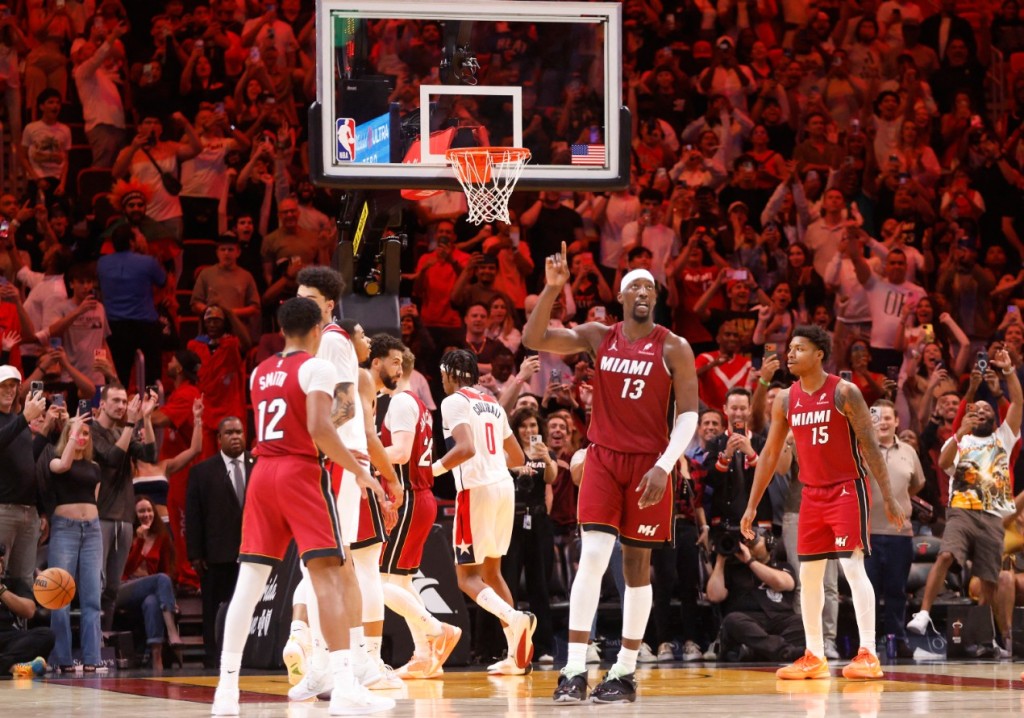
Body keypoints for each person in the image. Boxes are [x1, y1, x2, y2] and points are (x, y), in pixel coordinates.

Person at [523, 242, 699, 704]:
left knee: (636, 565)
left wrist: (665, 466)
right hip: (602, 456)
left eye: (650, 287)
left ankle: (623, 671)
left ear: (655, 299)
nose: (643, 290)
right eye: (634, 286)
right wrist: (552, 289)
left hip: (649, 465)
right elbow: (533, 338)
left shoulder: (675, 347)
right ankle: (575, 669)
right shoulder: (600, 335)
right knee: (594, 555)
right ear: (621, 298)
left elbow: (689, 416)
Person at [210, 297, 391, 716]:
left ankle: (226, 688)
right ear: (317, 328)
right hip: (300, 473)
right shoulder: (318, 367)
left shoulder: (259, 371)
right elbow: (318, 427)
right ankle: (344, 682)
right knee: (327, 574)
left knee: (249, 583)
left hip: (262, 474)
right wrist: (358, 470)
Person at [740, 325, 907, 680]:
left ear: (819, 354)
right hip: (810, 496)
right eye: (790, 348)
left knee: (852, 568)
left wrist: (889, 497)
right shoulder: (785, 398)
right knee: (810, 577)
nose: (790, 354)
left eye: (799, 348)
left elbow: (871, 448)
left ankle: (868, 653)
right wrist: (752, 505)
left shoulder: (844, 392)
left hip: (846, 489)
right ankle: (814, 654)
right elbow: (770, 454)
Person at [907, 347, 1023, 656]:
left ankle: (988, 640)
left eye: (987, 410)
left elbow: (1019, 403)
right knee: (945, 556)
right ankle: (924, 613)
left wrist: (1009, 373)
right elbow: (944, 460)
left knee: (988, 579)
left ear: (994, 417)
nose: (982, 412)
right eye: (976, 409)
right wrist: (959, 431)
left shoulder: (1004, 437)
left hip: (992, 516)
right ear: (969, 414)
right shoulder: (961, 440)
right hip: (961, 510)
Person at [433, 348, 532, 676]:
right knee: (492, 574)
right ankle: (519, 657)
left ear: (449, 373)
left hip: (476, 489)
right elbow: (518, 458)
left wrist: (430, 471)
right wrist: (491, 466)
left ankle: (515, 619)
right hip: (504, 487)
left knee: (466, 578)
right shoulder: (490, 401)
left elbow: (465, 448)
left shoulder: (453, 401)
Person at [379, 347, 461, 679]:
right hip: (420, 495)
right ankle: (425, 655)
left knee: (379, 580)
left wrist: (357, 454)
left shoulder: (400, 401)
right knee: (400, 580)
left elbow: (398, 452)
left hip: (409, 495)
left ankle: (438, 628)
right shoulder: (419, 404)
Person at [185, 417, 251, 669]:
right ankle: (213, 656)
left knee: (249, 606)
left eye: (239, 432)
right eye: (229, 433)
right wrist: (195, 554)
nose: (235, 436)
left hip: (252, 552)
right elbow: (194, 516)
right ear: (219, 438)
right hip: (215, 554)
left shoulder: (258, 466)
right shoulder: (202, 472)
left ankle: (248, 653)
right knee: (214, 608)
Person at [92, 385, 158, 632]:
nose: (121, 406)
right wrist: (131, 425)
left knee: (112, 588)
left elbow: (150, 454)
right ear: (103, 403)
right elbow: (111, 457)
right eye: (116, 401)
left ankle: (105, 636)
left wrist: (147, 418)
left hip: (124, 519)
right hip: (101, 517)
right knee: (96, 585)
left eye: (124, 401)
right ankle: (92, 642)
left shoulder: (123, 430)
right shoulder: (91, 430)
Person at [42, 415, 104, 673]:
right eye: (77, 431)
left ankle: (92, 658)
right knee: (60, 595)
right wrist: (71, 432)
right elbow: (64, 464)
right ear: (67, 435)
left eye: (86, 433)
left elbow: (95, 499)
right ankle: (62, 658)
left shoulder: (94, 467)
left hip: (92, 530)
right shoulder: (56, 461)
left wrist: (89, 519)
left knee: (92, 597)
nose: (82, 436)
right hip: (65, 529)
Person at [865, 399, 925, 658]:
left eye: (888, 417)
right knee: (868, 591)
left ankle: (898, 639)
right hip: (866, 533)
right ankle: (867, 642)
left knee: (897, 591)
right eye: (877, 417)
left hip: (899, 534)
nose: (883, 422)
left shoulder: (909, 452)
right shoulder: (862, 448)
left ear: (897, 421)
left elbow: (916, 485)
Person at [706, 528, 804, 662]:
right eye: (744, 542)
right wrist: (720, 559)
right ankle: (783, 652)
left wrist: (750, 561)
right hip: (747, 621)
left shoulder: (782, 566)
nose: (747, 546)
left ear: (769, 543)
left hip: (780, 620)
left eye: (753, 541)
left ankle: (755, 651)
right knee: (733, 620)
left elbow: (782, 583)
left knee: (802, 622)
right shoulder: (732, 569)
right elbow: (714, 596)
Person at [116, 496, 184, 671]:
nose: (146, 514)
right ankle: (172, 633)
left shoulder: (161, 537)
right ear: (134, 514)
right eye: (141, 511)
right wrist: (139, 542)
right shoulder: (126, 534)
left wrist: (169, 597)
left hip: (152, 590)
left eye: (149, 510)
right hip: (126, 587)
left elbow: (167, 570)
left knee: (152, 602)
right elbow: (126, 568)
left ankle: (156, 657)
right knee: (160, 579)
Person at [0, 366, 46, 590]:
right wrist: (24, 418)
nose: (9, 390)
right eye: (3, 386)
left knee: (24, 582)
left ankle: (22, 627)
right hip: (3, 510)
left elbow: (31, 463)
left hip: (29, 512)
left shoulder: (21, 424)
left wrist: (51, 430)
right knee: (0, 578)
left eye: (13, 386)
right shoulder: (19, 422)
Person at [0, 544, 54, 678]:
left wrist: (1, 590)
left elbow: (29, 610)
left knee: (46, 635)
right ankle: (13, 667)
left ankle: (9, 667)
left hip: (9, 639)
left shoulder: (12, 583)